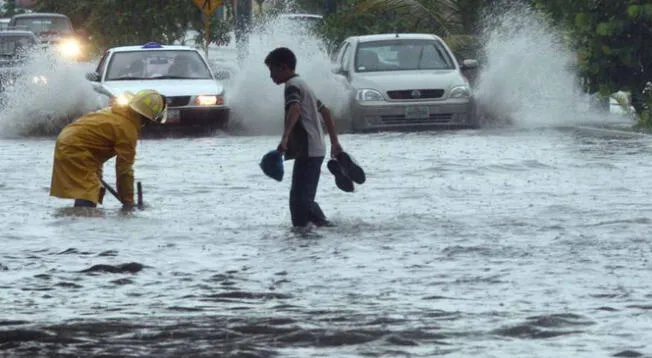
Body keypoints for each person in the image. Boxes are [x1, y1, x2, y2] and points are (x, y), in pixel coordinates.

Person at [264, 47, 344, 228]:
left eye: (272, 71)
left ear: (283, 67)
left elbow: (295, 109)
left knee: (301, 202)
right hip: (313, 149)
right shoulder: (303, 85)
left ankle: (324, 229)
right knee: (300, 201)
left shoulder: (292, 86)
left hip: (309, 149)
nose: (271, 77)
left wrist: (284, 138)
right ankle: (311, 234)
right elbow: (325, 111)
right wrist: (334, 142)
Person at [49, 89, 168, 209]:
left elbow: (95, 145)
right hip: (75, 147)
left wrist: (98, 176)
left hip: (69, 141)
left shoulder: (117, 112)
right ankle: (82, 222)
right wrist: (128, 202)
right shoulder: (127, 130)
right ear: (147, 118)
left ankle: (80, 220)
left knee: (92, 187)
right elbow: (124, 170)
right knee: (88, 190)